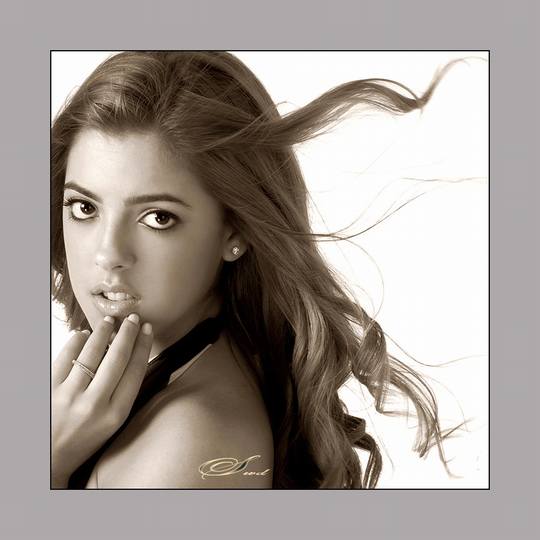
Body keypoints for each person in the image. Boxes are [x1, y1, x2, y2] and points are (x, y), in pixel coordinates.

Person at [51, 50, 478, 489]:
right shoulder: (182, 373)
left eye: (158, 217)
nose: (108, 253)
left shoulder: (191, 440)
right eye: (84, 207)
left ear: (235, 229)